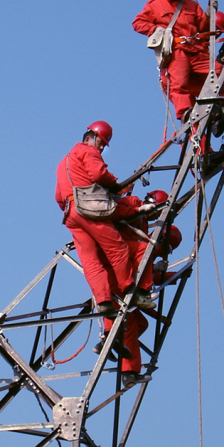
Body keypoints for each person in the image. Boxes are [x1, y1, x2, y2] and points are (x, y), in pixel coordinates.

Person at [55, 121, 155, 317]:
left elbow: (58, 196)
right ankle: (129, 290)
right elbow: (98, 174)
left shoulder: (63, 163)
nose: (101, 148)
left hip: (70, 214)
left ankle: (104, 302)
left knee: (91, 260)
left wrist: (74, 206)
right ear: (89, 137)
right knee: (117, 247)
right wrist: (116, 186)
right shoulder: (87, 151)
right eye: (101, 143)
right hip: (88, 210)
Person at [132, 0, 224, 121]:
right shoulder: (155, 5)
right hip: (177, 51)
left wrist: (210, 16)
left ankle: (218, 107)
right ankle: (186, 112)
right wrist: (156, 30)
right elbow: (137, 23)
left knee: (219, 70)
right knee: (178, 83)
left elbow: (203, 29)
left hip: (196, 51)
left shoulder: (192, 6)